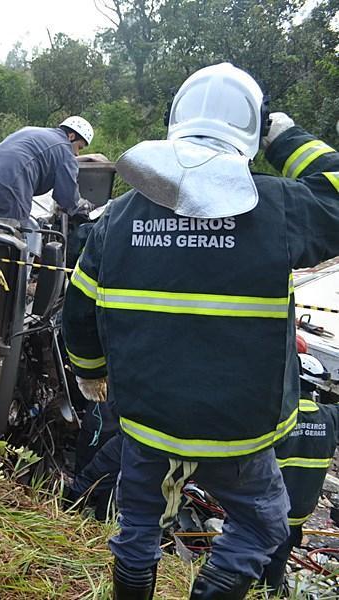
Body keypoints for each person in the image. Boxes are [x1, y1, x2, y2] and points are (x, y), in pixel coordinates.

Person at [62, 62, 339, 599]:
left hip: (146, 421)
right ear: (251, 134)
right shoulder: (278, 207)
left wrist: (91, 372)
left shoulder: (119, 216)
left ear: (175, 122)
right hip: (239, 429)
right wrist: (284, 137)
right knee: (261, 524)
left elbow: (80, 309)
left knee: (138, 523)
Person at [0, 116, 94, 305]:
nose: (77, 154)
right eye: (80, 147)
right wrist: (85, 207)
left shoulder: (31, 130)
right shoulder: (65, 150)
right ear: (71, 135)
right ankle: (1, 305)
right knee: (10, 244)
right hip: (11, 181)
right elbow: (67, 198)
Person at [262, 354, 339, 594]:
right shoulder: (330, 418)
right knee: (275, 567)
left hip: (264, 512)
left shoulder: (277, 415)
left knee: (246, 564)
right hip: (297, 514)